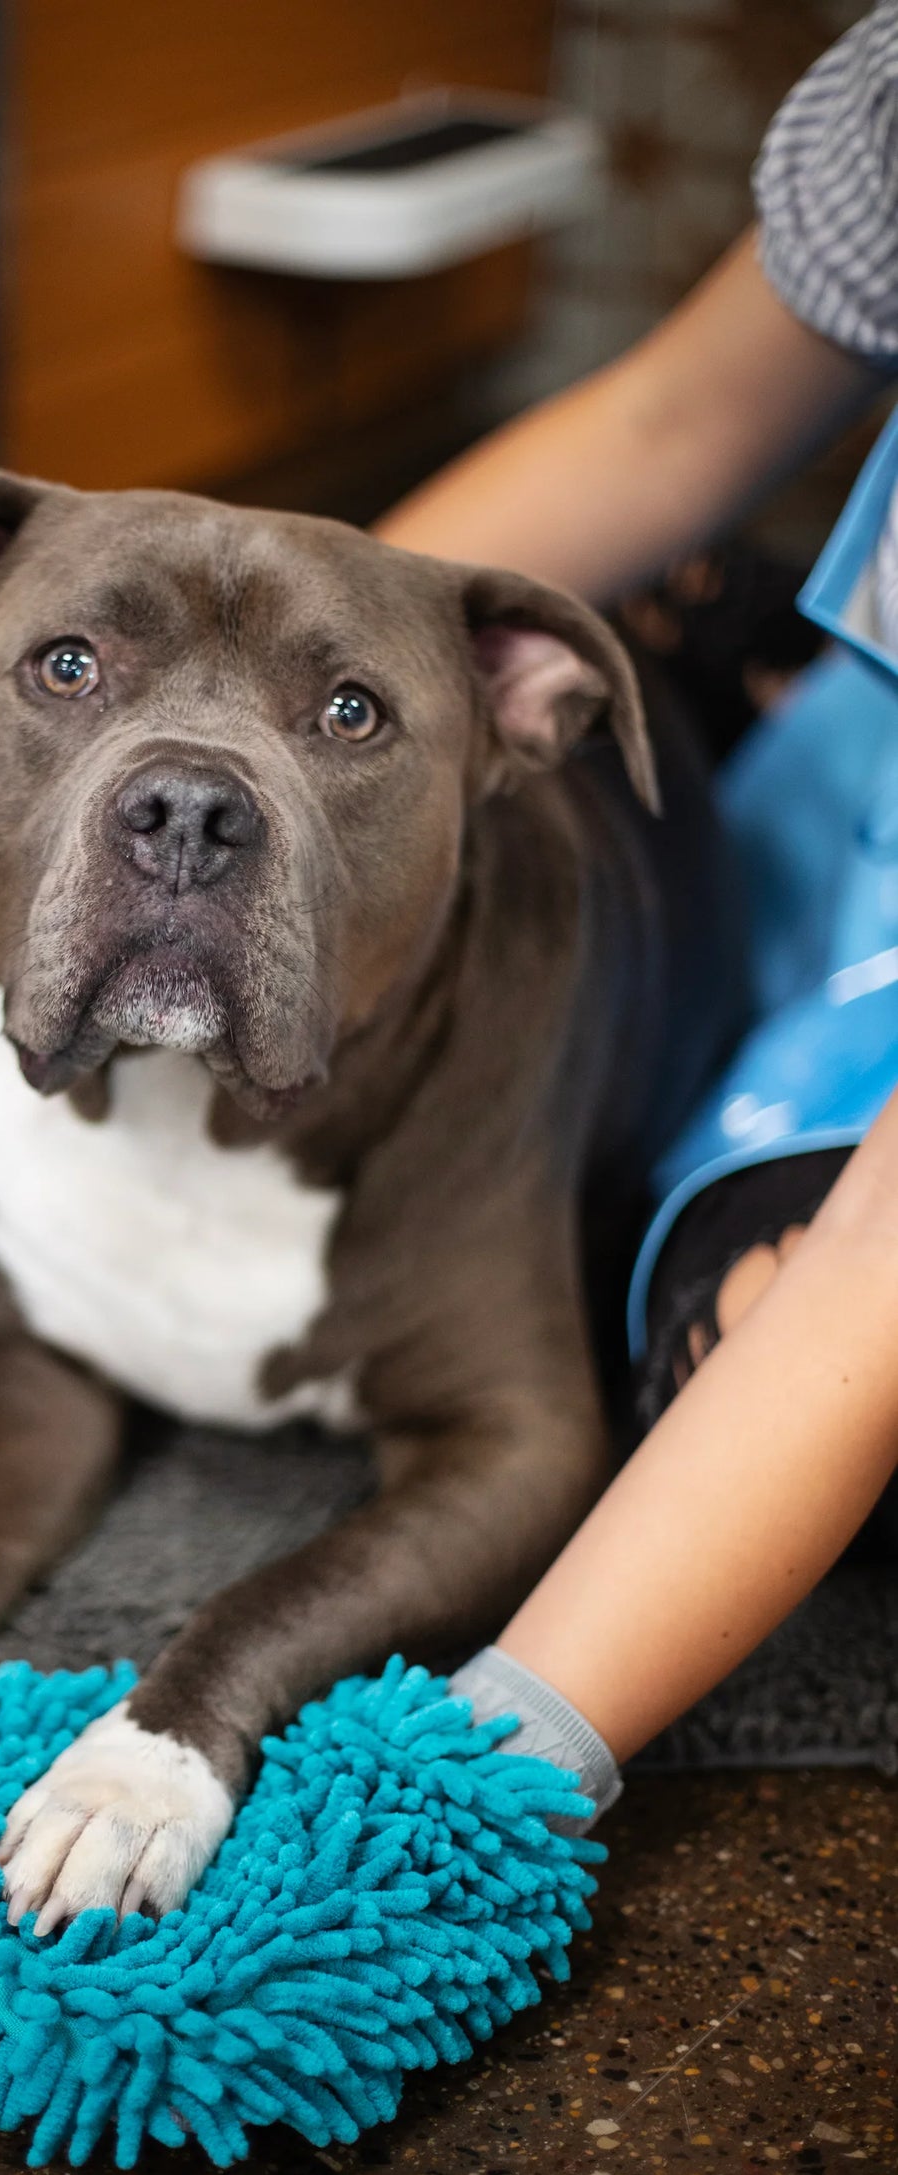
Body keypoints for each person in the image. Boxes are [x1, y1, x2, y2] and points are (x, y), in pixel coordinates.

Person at [382, 3, 898, 1810]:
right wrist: (263, 694)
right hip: (864, 781)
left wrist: (491, 1771)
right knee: (603, 612)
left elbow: (876, 1262)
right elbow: (671, 421)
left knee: (751, 1338)